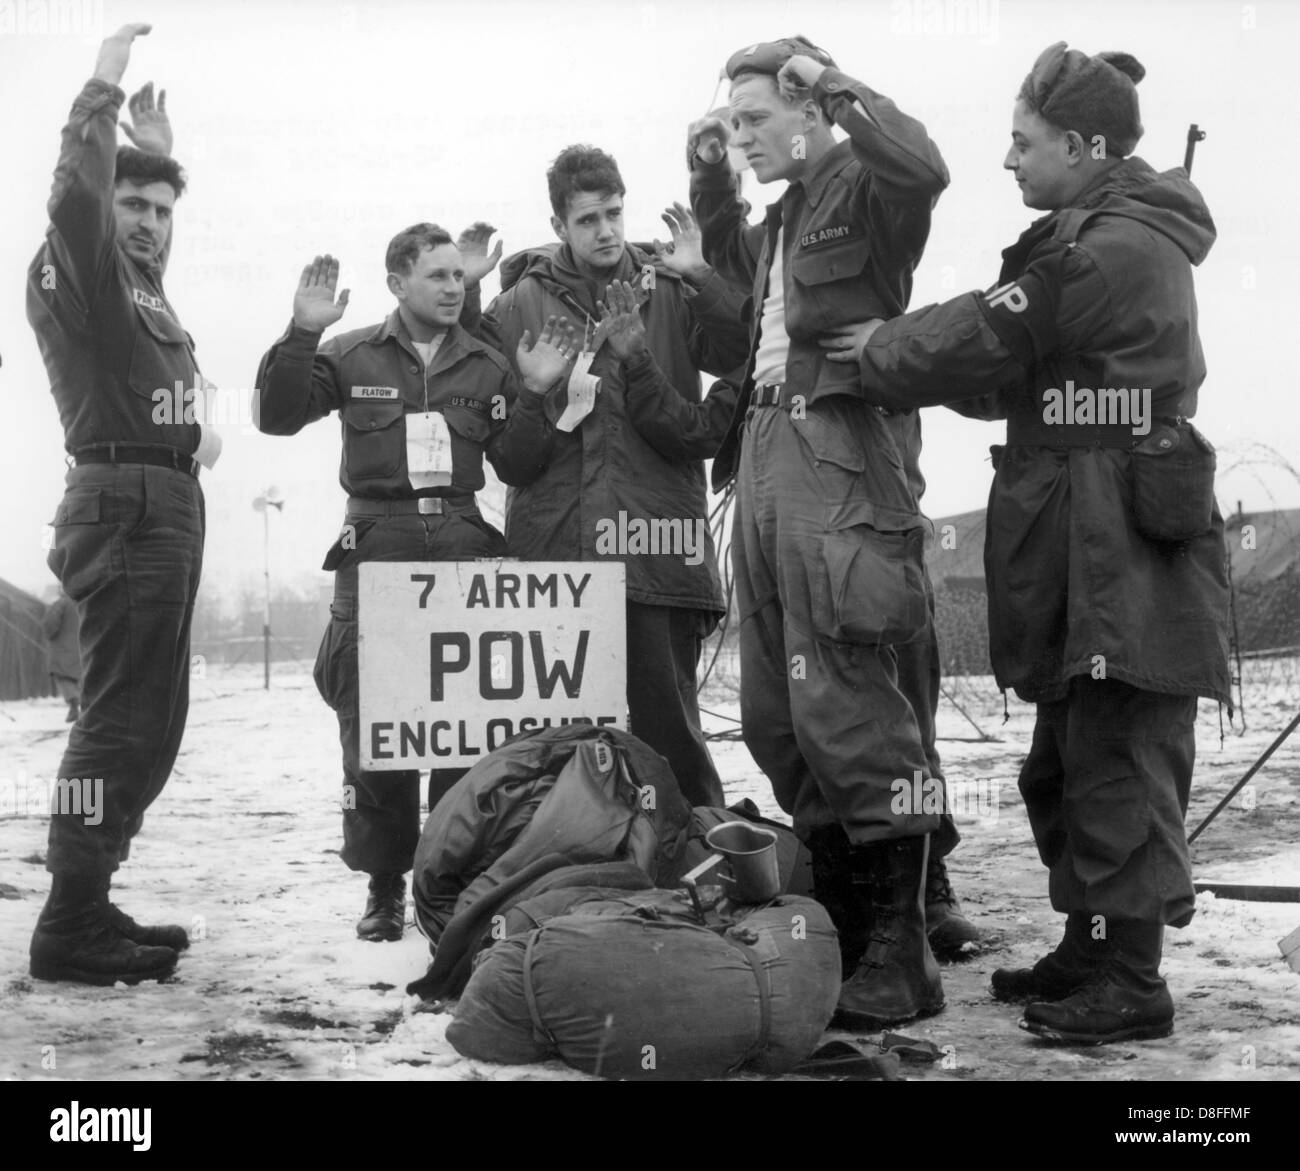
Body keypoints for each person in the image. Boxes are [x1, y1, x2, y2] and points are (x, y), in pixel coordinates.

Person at [857, 42, 1229, 1044]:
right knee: (1064, 763)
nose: (1009, 160)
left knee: (1117, 756)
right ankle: (1093, 940)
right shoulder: (1086, 237)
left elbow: (987, 336)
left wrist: (872, 350)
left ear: (1080, 142)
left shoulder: (1112, 249)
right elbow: (1003, 376)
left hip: (1121, 535)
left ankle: (1133, 979)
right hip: (1079, 522)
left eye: (1022, 143)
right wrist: (924, 366)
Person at [684, 35, 975, 1028]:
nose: (745, 139)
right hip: (765, 449)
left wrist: (837, 86)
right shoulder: (783, 217)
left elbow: (925, 166)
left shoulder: (859, 181)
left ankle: (903, 949)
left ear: (807, 111)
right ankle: (857, 926)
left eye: (757, 120)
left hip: (841, 453)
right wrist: (715, 201)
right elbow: (741, 334)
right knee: (777, 713)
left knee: (854, 708)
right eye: (733, 125)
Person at [254, 227, 576, 942]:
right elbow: (275, 417)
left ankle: (450, 875)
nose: (453, 285)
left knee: (462, 723)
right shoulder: (351, 352)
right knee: (375, 723)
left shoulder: (489, 363)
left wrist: (536, 393)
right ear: (398, 282)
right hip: (377, 547)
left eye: (458, 274)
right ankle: (383, 883)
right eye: (436, 274)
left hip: (461, 547)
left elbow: (519, 465)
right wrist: (303, 331)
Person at [467, 144, 750, 808]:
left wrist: (704, 275)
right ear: (560, 223)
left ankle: (699, 869)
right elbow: (504, 453)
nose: (606, 231)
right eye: (588, 219)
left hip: (657, 552)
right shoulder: (516, 308)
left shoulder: (673, 287)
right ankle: (565, 880)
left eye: (614, 213)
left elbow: (751, 348)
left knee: (671, 737)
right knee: (558, 744)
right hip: (556, 554)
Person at [26, 23, 204, 986]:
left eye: (162, 208)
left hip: (160, 503)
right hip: (124, 499)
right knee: (117, 718)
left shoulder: (137, 287)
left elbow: (129, 239)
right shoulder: (83, 263)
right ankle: (67, 922)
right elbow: (77, 197)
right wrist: (100, 90)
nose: (147, 221)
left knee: (153, 716)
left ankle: (89, 899)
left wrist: (159, 157)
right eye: (132, 204)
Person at [43, 587, 82, 723]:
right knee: (75, 677)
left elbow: (50, 626)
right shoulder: (82, 602)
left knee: (62, 675)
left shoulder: (62, 603)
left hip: (63, 649)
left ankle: (73, 704)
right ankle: (79, 705)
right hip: (80, 648)